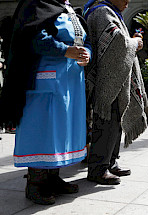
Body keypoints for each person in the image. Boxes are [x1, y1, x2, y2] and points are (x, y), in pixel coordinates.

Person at [0, 0, 91, 205]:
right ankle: (35, 183)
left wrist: (87, 54)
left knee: (60, 131)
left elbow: (86, 40)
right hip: (45, 79)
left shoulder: (66, 7)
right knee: (43, 129)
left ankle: (53, 178)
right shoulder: (35, 3)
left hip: (69, 82)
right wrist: (64, 50)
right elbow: (33, 36)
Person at [84, 0, 148, 185]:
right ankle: (98, 168)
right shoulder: (102, 11)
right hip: (107, 79)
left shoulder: (109, 11)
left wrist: (132, 42)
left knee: (115, 122)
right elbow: (116, 41)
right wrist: (134, 42)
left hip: (116, 77)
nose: (128, 2)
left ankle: (111, 162)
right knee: (106, 122)